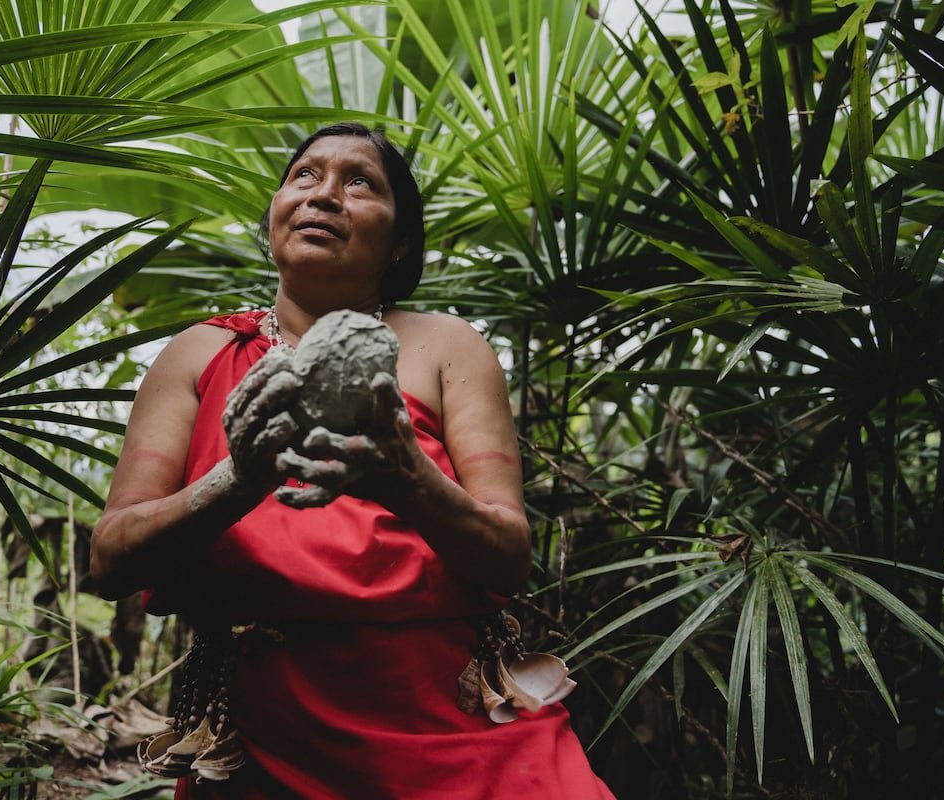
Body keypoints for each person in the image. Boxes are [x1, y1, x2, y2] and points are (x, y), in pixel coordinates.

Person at [90, 122, 614, 799]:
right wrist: (237, 481)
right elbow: (110, 560)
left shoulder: (448, 346)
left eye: (359, 182)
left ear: (400, 240)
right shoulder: (199, 352)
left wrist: (408, 479)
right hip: (263, 728)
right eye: (304, 175)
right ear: (276, 211)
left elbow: (508, 556)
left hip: (446, 718)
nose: (325, 194)